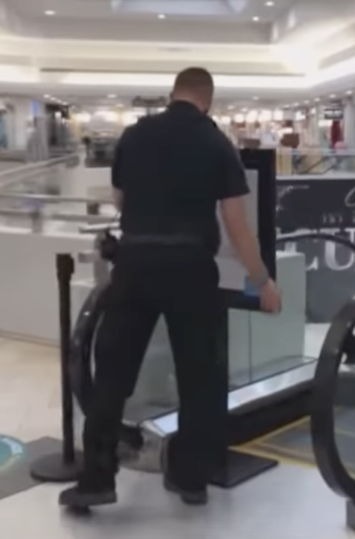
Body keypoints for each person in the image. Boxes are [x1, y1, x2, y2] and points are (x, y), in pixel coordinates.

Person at [59, 67, 282, 509]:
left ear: (172, 94)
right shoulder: (216, 144)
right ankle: (189, 478)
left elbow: (120, 201)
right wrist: (263, 280)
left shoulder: (135, 135)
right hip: (190, 271)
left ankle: (96, 480)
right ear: (208, 101)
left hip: (135, 266)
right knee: (200, 379)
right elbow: (237, 226)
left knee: (113, 378)